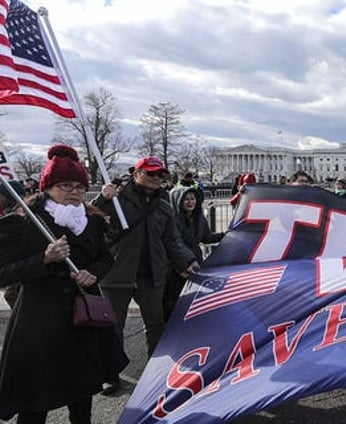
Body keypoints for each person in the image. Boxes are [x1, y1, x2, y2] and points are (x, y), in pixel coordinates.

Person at [0, 144, 128, 423]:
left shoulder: (92, 221)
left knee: (82, 390)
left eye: (80, 187)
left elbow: (106, 258)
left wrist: (93, 272)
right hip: (40, 321)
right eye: (65, 185)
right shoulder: (26, 221)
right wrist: (44, 259)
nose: (74, 192)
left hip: (84, 318)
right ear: (47, 187)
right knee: (36, 397)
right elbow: (3, 272)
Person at [93, 156, 198, 392]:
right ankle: (111, 373)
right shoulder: (116, 197)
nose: (156, 178)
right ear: (136, 173)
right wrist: (102, 199)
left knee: (156, 323)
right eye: (150, 173)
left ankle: (157, 372)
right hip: (117, 271)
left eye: (160, 174)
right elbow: (88, 221)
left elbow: (171, 240)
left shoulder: (164, 205)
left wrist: (187, 260)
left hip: (152, 273)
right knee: (112, 326)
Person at [164, 186, 224, 322]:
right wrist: (188, 261)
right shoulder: (171, 219)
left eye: (192, 199)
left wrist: (224, 235)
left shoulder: (199, 218)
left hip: (195, 262)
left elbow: (206, 237)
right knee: (176, 302)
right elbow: (176, 242)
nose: (190, 202)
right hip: (177, 266)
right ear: (177, 201)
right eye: (186, 199)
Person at [0, 180, 26, 309]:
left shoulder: (21, 212)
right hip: (16, 262)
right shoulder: (10, 211)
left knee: (12, 294)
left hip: (23, 262)